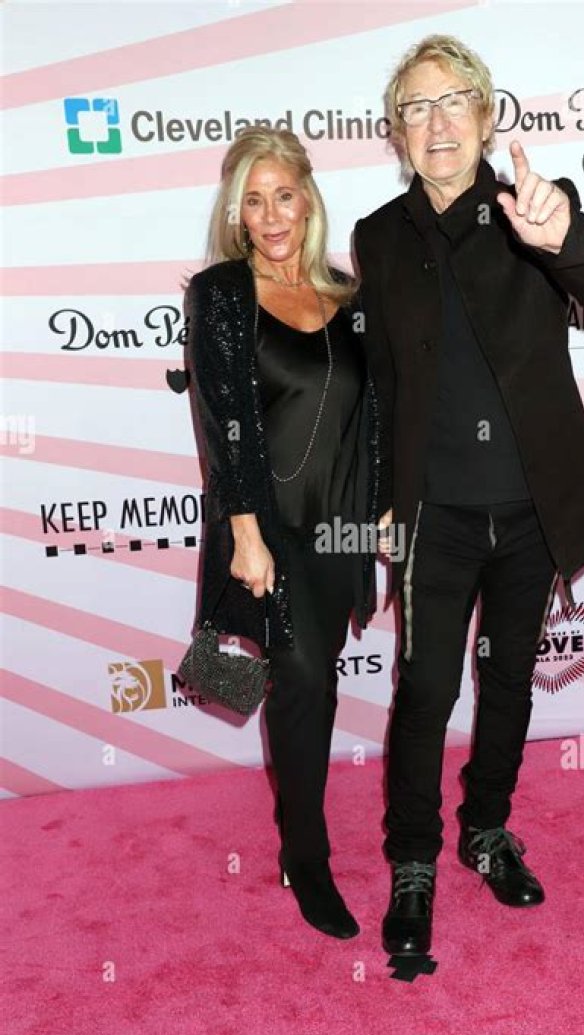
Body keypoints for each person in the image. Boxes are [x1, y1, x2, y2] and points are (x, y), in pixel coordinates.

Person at [353, 35, 584, 956]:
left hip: (528, 509)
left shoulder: (535, 208)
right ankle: (414, 859)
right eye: (416, 107)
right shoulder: (378, 236)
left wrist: (566, 241)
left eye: (453, 101)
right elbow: (381, 383)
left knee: (509, 676)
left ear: (484, 114)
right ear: (397, 130)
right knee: (427, 687)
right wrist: (383, 500)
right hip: (433, 514)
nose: (436, 122)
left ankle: (486, 829)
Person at [186, 127, 381, 940]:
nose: (270, 215)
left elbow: (372, 416)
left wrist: (384, 512)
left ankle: (302, 832)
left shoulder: (349, 296)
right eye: (253, 201)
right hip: (272, 531)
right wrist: (245, 533)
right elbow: (221, 418)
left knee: (316, 685)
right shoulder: (223, 293)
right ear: (236, 212)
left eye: (284, 195)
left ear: (308, 198)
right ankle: (306, 853)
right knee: (301, 679)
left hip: (342, 531)